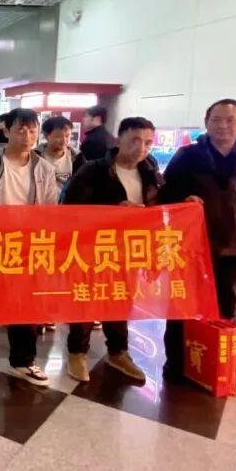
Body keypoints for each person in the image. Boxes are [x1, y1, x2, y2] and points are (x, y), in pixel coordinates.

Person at [159, 98, 236, 380]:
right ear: (206, 123)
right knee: (181, 306)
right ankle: (176, 364)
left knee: (226, 309)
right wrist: (183, 199)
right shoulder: (187, 156)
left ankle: (216, 368)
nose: (223, 126)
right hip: (190, 249)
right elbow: (165, 194)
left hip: (234, 249)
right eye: (216, 120)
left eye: (230, 120)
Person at [0, 108, 60, 386]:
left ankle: (24, 360)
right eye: (21, 129)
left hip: (27, 247)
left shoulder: (44, 168)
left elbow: (50, 211)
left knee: (25, 304)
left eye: (32, 130)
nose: (27, 136)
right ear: (7, 130)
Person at [62, 118, 161, 384]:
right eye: (135, 140)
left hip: (130, 249)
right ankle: (77, 352)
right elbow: (71, 211)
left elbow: (158, 211)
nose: (141, 148)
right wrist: (114, 211)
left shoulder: (151, 171)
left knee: (120, 300)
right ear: (119, 140)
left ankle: (118, 352)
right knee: (85, 301)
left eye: (148, 142)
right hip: (93, 248)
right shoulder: (94, 170)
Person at [36, 116, 85, 190]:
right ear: (46, 135)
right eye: (58, 136)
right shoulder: (35, 156)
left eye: (67, 136)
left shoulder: (77, 157)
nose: (64, 140)